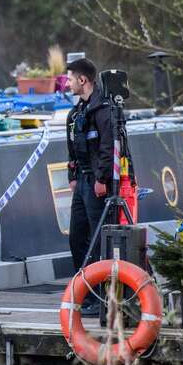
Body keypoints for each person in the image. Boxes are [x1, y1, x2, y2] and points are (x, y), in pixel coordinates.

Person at [66, 58, 112, 316]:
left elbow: (108, 147)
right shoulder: (75, 114)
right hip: (81, 182)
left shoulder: (103, 111)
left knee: (97, 239)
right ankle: (82, 290)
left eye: (71, 78)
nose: (68, 83)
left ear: (82, 80)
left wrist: (102, 179)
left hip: (97, 183)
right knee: (77, 237)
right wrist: (71, 175)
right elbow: (71, 146)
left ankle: (99, 296)